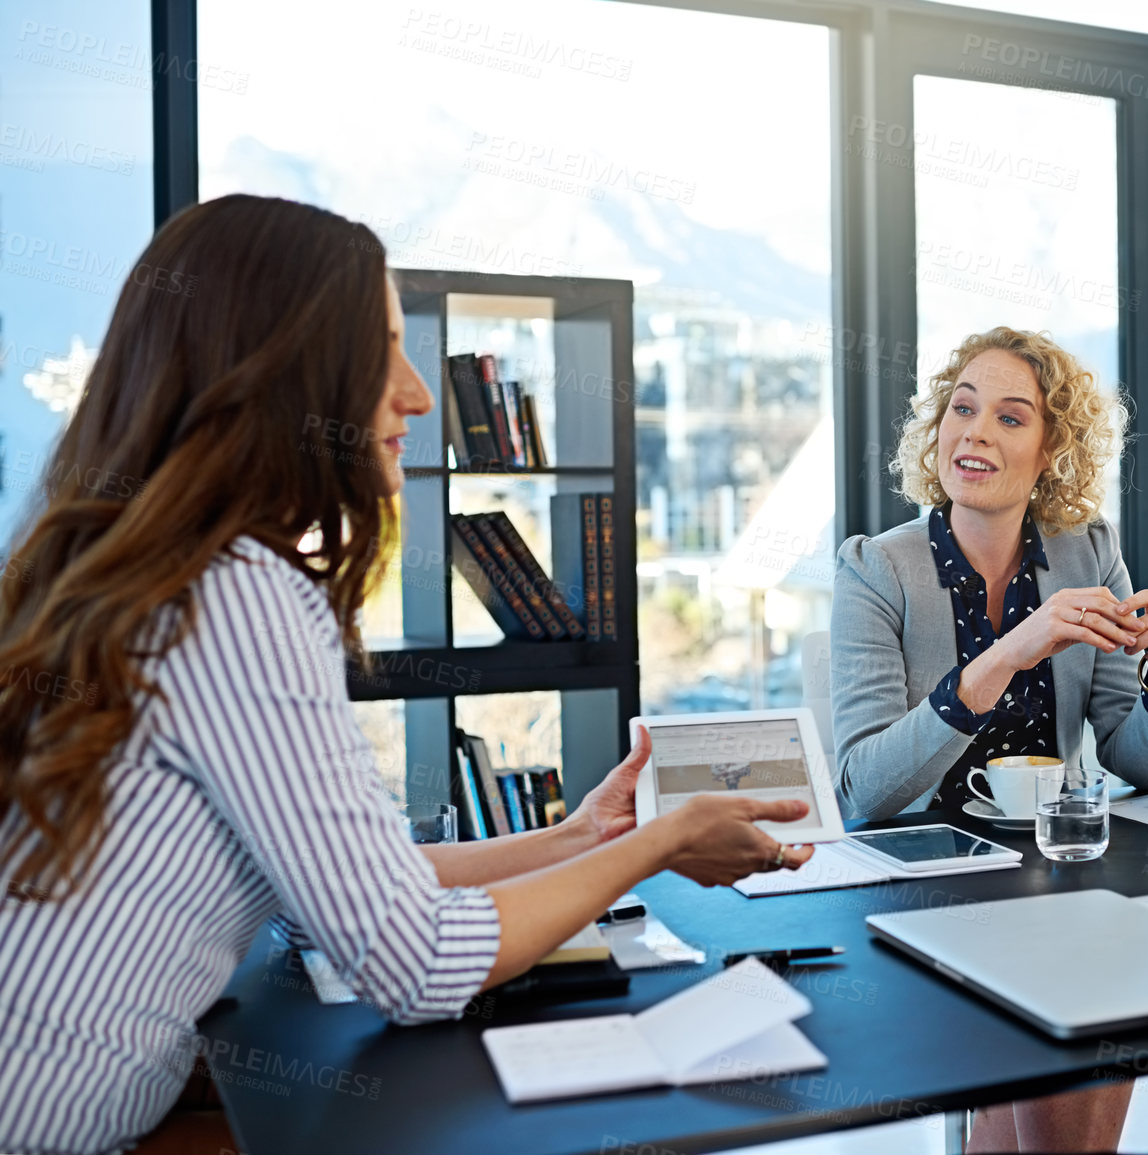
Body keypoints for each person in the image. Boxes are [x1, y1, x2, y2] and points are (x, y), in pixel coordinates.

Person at [0, 195, 815, 1155]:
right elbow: (415, 961)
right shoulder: (241, 596)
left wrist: (576, 835)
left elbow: (359, 884)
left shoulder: (135, 565)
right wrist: (657, 844)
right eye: (379, 347)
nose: (418, 392)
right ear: (280, 372)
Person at [830, 326, 1148, 1152]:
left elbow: (1131, 759)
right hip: (926, 894)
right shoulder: (874, 570)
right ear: (935, 433)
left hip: (1060, 879)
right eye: (961, 409)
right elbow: (863, 789)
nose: (974, 432)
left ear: (1050, 450)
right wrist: (1004, 653)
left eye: (1009, 416)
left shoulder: (1086, 551)